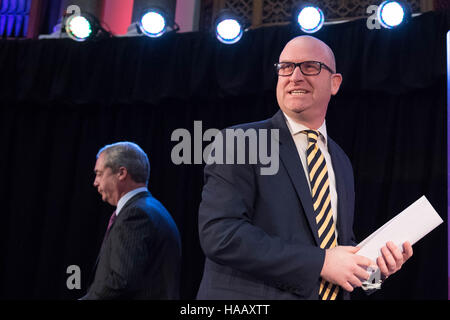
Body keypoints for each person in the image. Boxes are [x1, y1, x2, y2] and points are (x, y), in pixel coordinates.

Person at [196, 36, 413, 300]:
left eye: (310, 66)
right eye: (286, 67)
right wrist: (320, 261)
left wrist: (375, 271)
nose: (295, 76)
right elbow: (220, 234)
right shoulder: (241, 141)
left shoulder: (341, 161)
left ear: (335, 83)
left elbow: (338, 253)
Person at [81, 141, 182, 299]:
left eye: (99, 173)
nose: (95, 182)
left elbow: (121, 281)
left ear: (121, 173)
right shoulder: (152, 209)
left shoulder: (135, 215)